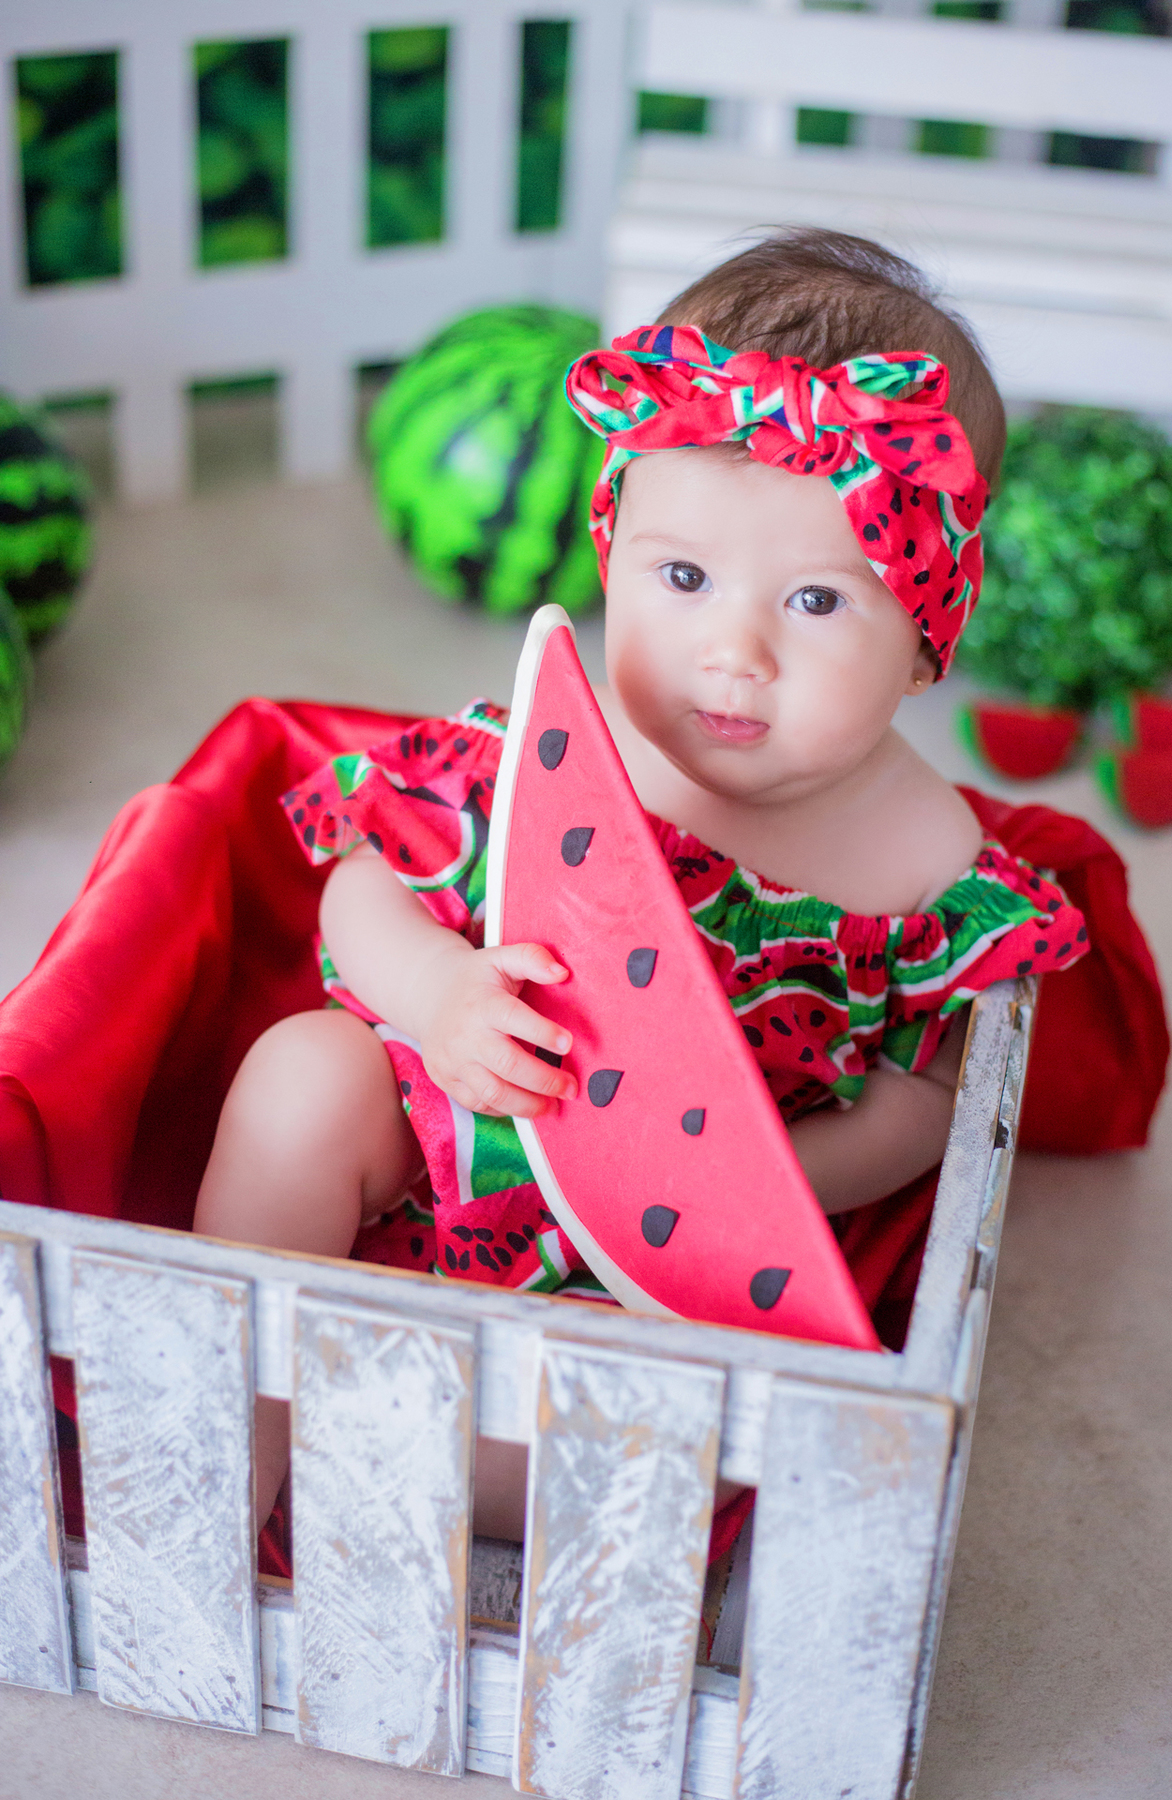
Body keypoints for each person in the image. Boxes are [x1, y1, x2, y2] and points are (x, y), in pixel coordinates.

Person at [194, 228, 1091, 1540]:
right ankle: (231, 1420)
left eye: (820, 604)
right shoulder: (560, 745)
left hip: (672, 1269)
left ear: (926, 636)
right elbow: (360, 890)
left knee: (610, 1445)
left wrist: (755, 1180)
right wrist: (442, 994)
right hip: (452, 1128)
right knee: (301, 1071)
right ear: (611, 553)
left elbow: (916, 1109)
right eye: (683, 578)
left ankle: (406, 1481)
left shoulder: (931, 864)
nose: (734, 651)